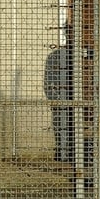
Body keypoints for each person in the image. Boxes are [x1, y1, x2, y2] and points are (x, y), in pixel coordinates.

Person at [44, 35, 74, 163]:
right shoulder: (55, 56)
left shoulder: (80, 54)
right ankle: (63, 152)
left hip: (71, 94)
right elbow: (48, 80)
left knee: (70, 123)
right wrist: (54, 97)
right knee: (61, 123)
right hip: (62, 95)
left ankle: (70, 152)